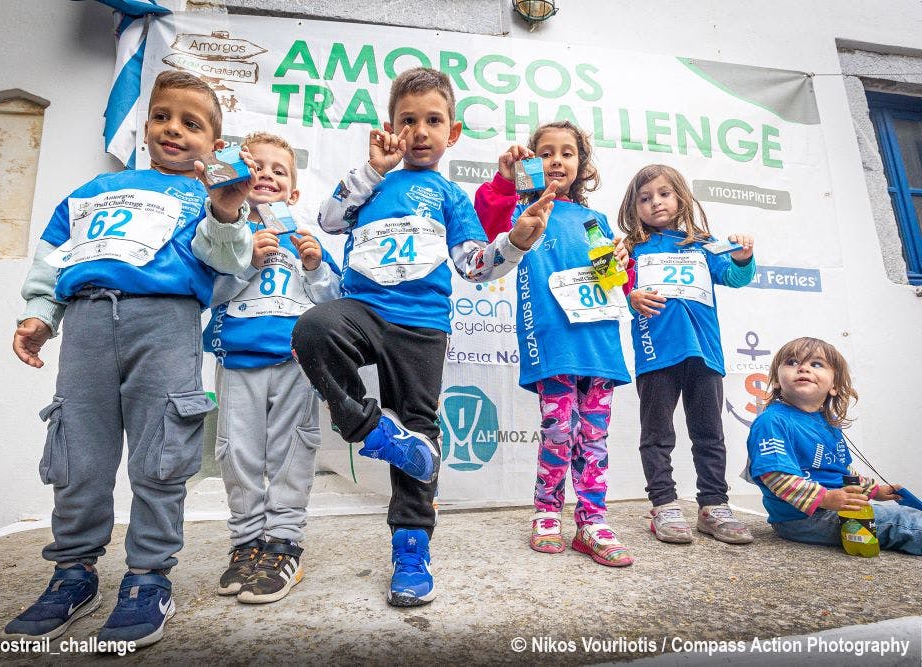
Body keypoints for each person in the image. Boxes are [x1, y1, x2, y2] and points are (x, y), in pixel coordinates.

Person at [6, 70, 255, 646]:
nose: (174, 130)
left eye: (192, 124)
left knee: (161, 456)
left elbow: (228, 262)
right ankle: (72, 573)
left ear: (215, 146)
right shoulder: (95, 188)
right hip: (89, 322)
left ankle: (147, 578)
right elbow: (55, 257)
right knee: (78, 453)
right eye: (164, 117)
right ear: (146, 128)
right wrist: (41, 315)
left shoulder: (209, 195)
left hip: (165, 323)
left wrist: (223, 213)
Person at [291, 67, 554, 606]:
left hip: (421, 327)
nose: (420, 131)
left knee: (420, 428)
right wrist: (370, 169)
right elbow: (328, 217)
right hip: (363, 309)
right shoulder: (373, 183)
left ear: (452, 133)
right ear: (390, 127)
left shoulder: (450, 196)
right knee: (313, 330)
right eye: (408, 120)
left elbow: (474, 264)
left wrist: (515, 243)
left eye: (433, 120)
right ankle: (371, 432)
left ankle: (411, 549)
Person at [474, 121, 635, 566]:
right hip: (553, 342)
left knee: (594, 437)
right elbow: (488, 222)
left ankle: (593, 521)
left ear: (581, 164)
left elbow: (616, 282)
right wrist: (507, 181)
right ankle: (547, 512)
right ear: (532, 162)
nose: (557, 160)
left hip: (600, 345)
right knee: (559, 431)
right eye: (546, 152)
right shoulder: (520, 212)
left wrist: (622, 262)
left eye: (567, 152)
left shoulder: (596, 220)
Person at [203, 131, 340, 604]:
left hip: (295, 363)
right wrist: (244, 261)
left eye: (278, 171)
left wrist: (318, 266)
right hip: (238, 362)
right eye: (256, 167)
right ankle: (246, 544)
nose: (266, 175)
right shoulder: (224, 231)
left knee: (291, 453)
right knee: (236, 453)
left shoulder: (306, 239)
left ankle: (284, 544)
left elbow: (331, 303)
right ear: (242, 176)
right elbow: (207, 294)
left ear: (293, 192)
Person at [617, 164, 756, 545]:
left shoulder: (703, 243)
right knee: (657, 436)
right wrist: (630, 298)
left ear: (680, 198)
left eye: (663, 194)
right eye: (645, 198)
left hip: (706, 355)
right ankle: (663, 505)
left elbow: (735, 277)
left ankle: (713, 506)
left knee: (709, 434)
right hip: (656, 355)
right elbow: (616, 292)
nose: (655, 202)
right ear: (634, 208)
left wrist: (744, 257)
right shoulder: (630, 249)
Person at [746, 337, 920, 554]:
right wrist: (826, 498)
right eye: (791, 362)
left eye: (816, 364)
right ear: (777, 381)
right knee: (900, 521)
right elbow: (775, 475)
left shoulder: (828, 425)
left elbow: (844, 472)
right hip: (801, 518)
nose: (803, 368)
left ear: (834, 386)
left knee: (902, 514)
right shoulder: (772, 421)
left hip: (833, 508)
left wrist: (875, 490)